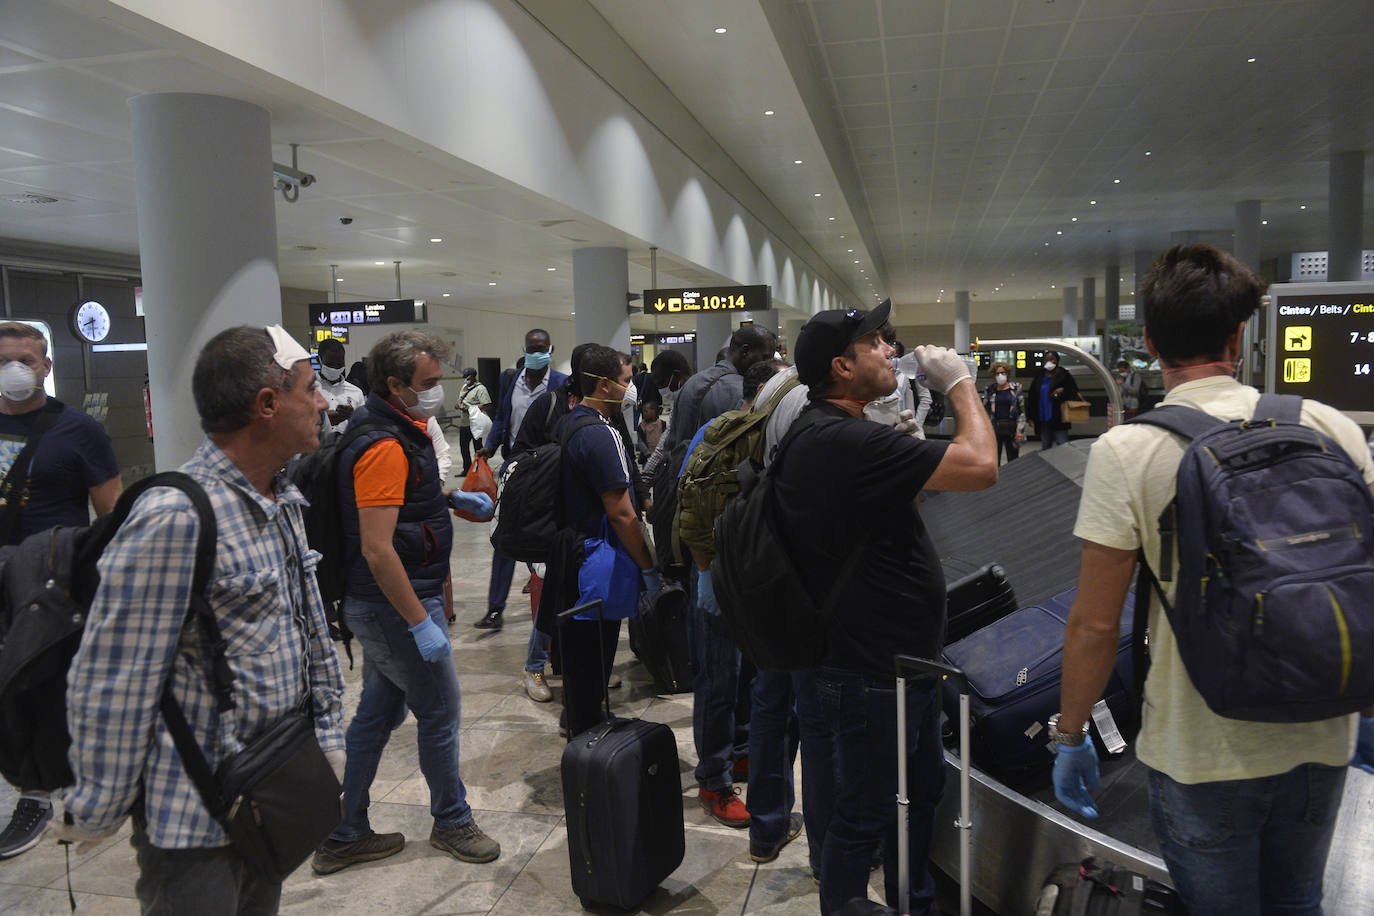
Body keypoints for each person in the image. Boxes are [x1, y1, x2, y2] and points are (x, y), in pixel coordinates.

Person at [1052, 244, 1374, 914]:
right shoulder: (1332, 427)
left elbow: (1094, 622)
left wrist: (1072, 732)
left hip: (1202, 745)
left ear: (1148, 341)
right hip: (1322, 727)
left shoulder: (1129, 450)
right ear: (1240, 334)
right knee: (1299, 901)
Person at [58, 325, 345, 912]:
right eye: (309, 389)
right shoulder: (176, 518)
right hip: (194, 823)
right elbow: (114, 678)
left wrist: (329, 739)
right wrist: (97, 808)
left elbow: (308, 630)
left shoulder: (280, 502)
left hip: (268, 797)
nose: (322, 403)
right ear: (268, 404)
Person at [771, 302, 997, 914]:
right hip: (869, 672)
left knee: (915, 796)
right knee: (865, 811)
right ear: (842, 367)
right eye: (875, 342)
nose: (890, 349)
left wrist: (906, 467)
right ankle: (845, 903)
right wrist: (959, 384)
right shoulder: (839, 438)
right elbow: (981, 466)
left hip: (899, 664)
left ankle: (911, 901)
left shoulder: (837, 434)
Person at [314, 330, 499, 875]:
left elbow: (396, 504)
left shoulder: (396, 429)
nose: (437, 391)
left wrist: (447, 499)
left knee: (378, 712)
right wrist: (421, 622)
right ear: (394, 385)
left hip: (386, 603)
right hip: (395, 604)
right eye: (427, 383)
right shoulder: (384, 445)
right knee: (439, 711)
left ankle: (344, 831)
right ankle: (451, 819)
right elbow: (376, 548)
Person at [0, 320, 122, 860]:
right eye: (7, 359)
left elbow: (110, 517)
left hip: (48, 581)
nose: (16, 370)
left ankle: (37, 791)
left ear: (46, 366)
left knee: (40, 686)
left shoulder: (78, 430)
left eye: (27, 359)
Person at [663, 325, 777, 828]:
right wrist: (706, 573)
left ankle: (742, 751)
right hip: (716, 573)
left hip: (750, 577)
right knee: (718, 677)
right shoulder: (722, 434)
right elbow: (690, 506)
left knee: (748, 669)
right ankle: (713, 777)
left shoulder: (768, 436)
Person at [536, 345, 653, 738]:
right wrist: (648, 565)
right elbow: (621, 512)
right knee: (594, 646)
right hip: (594, 555)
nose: (630, 387)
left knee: (582, 651)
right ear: (603, 384)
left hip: (571, 549)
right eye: (625, 380)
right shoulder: (602, 434)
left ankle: (578, 717)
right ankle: (587, 734)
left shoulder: (571, 421)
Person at [473, 329, 567, 631]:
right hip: (514, 469)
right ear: (525, 349)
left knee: (536, 534)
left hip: (545, 471)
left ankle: (543, 591)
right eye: (531, 347)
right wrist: (491, 443)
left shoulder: (560, 383)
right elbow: (502, 416)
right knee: (506, 535)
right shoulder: (511, 378)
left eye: (541, 348)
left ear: (550, 349)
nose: (536, 352)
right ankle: (495, 609)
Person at [1024, 349, 1080, 450]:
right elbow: (1032, 396)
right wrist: (1030, 416)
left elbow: (1073, 390)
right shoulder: (1040, 376)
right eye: (1046, 360)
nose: (1049, 362)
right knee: (1046, 445)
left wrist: (1063, 390)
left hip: (1059, 416)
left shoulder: (1064, 374)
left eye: (1052, 360)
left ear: (1057, 360)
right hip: (1042, 417)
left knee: (1062, 444)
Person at [315, 337, 364, 431]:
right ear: (319, 360)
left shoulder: (356, 392)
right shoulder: (308, 389)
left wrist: (352, 416)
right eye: (330, 364)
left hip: (346, 444)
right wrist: (322, 418)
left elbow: (363, 426)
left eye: (339, 364)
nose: (335, 368)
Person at [981, 360, 1026, 463]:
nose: (1000, 375)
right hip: (995, 429)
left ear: (1007, 374)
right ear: (994, 375)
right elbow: (985, 411)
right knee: (994, 459)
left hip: (1012, 428)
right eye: (997, 373)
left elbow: (1021, 412)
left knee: (1013, 460)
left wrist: (1020, 431)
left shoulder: (1016, 388)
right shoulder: (990, 390)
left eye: (1003, 373)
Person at [454, 368, 491, 476]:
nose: (465, 380)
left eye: (467, 378)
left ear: (473, 377)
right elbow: (461, 401)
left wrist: (472, 409)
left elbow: (487, 404)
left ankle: (481, 470)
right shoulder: (464, 387)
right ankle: (467, 470)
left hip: (475, 423)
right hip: (464, 423)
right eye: (464, 378)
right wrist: (459, 406)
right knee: (463, 447)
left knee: (478, 447)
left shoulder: (481, 389)